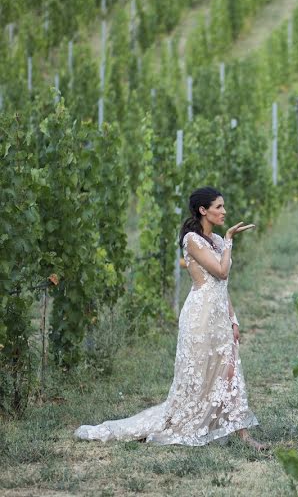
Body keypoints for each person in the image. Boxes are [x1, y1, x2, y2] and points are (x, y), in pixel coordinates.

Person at [75, 187, 267, 450]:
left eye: (224, 207)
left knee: (229, 371)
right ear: (203, 210)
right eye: (219, 207)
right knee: (199, 375)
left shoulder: (218, 241)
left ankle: (244, 435)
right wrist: (231, 238)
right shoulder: (192, 240)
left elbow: (224, 286)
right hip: (200, 315)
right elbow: (221, 272)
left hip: (220, 312)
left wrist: (234, 320)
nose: (224, 211)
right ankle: (188, 422)